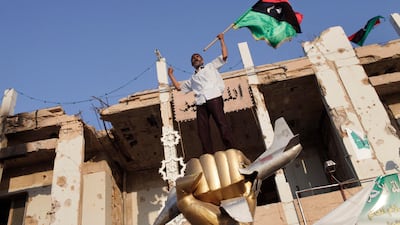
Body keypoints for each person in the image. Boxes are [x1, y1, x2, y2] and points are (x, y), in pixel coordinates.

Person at [167, 33, 235, 154]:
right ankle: (208, 154)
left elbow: (225, 56)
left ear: (202, 60)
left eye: (197, 56)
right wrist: (171, 75)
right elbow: (178, 87)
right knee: (202, 130)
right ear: (192, 63)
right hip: (200, 102)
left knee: (221, 122)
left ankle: (230, 148)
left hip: (213, 97)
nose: (195, 58)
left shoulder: (210, 66)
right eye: (193, 58)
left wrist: (222, 40)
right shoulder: (192, 79)